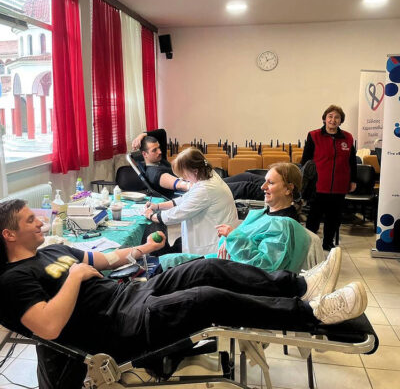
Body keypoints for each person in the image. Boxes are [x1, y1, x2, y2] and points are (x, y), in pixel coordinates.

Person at [0, 199, 367, 389]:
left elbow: (107, 259)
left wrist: (145, 248)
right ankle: (313, 314)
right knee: (205, 299)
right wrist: (76, 276)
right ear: (9, 234)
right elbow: (47, 326)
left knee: (202, 268)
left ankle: (300, 286)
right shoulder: (14, 278)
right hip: (117, 327)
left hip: (129, 294)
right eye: (30, 219)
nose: (40, 221)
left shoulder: (51, 250)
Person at [160, 163, 323, 273]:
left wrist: (233, 237)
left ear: (288, 189)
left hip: (232, 276)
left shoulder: (284, 227)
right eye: (264, 182)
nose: (263, 187)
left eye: (271, 183)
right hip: (224, 265)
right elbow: (241, 243)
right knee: (168, 261)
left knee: (168, 268)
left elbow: (264, 268)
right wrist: (230, 239)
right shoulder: (263, 214)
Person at [144, 148, 238, 255]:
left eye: (184, 174)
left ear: (195, 171)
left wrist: (151, 216)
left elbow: (178, 213)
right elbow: (186, 199)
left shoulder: (205, 189)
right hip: (214, 233)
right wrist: (158, 206)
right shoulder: (209, 175)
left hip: (212, 244)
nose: (183, 178)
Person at [133, 130, 266, 200]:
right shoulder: (154, 173)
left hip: (203, 182)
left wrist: (142, 135)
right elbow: (178, 184)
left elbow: (161, 132)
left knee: (247, 176)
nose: (160, 152)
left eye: (159, 148)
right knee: (246, 187)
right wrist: (201, 185)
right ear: (144, 154)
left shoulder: (158, 160)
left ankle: (275, 184)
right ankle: (275, 195)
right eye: (154, 150)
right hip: (200, 191)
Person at [301, 105, 357, 251]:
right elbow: (306, 161)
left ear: (341, 120)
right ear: (325, 119)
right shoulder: (314, 135)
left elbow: (352, 161)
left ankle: (327, 243)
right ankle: (310, 244)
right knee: (314, 217)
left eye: (337, 117)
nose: (333, 120)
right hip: (318, 185)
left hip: (339, 185)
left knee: (334, 217)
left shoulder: (348, 138)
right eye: (330, 116)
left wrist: (353, 180)